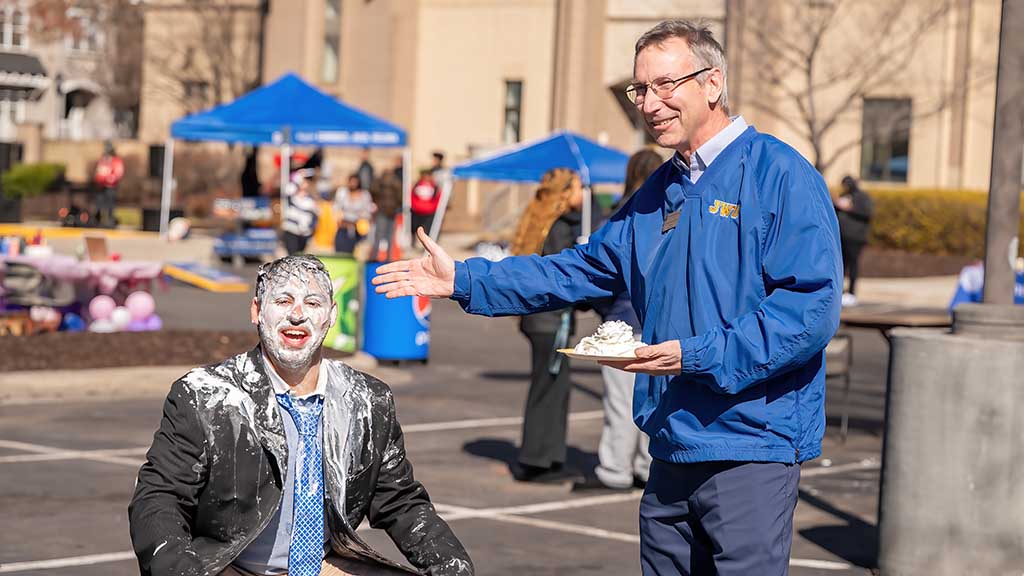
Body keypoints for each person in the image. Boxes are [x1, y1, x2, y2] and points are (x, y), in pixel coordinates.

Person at [374, 19, 842, 576]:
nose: (650, 102)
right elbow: (582, 268)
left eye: (666, 84)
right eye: (639, 89)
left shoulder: (778, 174)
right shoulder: (660, 189)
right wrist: (468, 280)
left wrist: (696, 355)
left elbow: (808, 310)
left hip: (749, 448)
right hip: (672, 441)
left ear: (713, 83)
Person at [128, 255, 474, 576]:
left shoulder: (369, 399)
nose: (297, 314)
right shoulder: (205, 395)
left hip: (327, 567)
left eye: (312, 303)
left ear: (331, 315)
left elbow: (401, 502)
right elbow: (159, 498)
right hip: (234, 568)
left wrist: (452, 565)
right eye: (282, 301)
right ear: (257, 311)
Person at [572, 148, 663, 493]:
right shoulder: (673, 214)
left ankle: (615, 468)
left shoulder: (622, 216)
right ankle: (645, 465)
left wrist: (600, 308)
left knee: (622, 401)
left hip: (623, 320)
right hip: (659, 322)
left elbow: (600, 275)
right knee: (653, 399)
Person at [507, 168, 587, 483]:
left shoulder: (543, 223)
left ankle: (548, 457)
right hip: (551, 319)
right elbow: (565, 277)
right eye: (580, 188)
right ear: (566, 193)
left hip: (539, 318)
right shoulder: (561, 227)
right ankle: (537, 460)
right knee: (550, 389)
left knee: (551, 387)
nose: (585, 195)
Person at [834, 175, 873, 306]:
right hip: (842, 236)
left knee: (853, 264)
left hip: (855, 237)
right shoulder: (844, 195)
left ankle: (851, 292)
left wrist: (849, 208)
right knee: (841, 265)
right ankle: (838, 291)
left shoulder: (862, 197)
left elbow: (867, 213)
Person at [333, 173, 375, 254]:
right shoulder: (342, 192)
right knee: (340, 249)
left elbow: (367, 211)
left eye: (355, 182)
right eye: (351, 182)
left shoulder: (364, 195)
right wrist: (339, 220)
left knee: (356, 251)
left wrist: (360, 221)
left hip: (357, 227)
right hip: (343, 225)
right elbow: (336, 207)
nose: (353, 184)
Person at [282, 169, 320, 255]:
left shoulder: (311, 200)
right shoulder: (292, 195)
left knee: (299, 256)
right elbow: (288, 188)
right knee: (293, 256)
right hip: (291, 231)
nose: (306, 183)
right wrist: (299, 175)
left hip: (304, 234)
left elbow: (315, 217)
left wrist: (310, 230)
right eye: (305, 181)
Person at [369, 163, 402, 261]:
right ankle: (388, 258)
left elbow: (372, 191)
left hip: (383, 211)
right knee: (390, 237)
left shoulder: (379, 182)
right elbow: (400, 196)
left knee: (379, 236)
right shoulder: (396, 182)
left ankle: (374, 257)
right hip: (392, 211)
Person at [93, 140, 125, 228]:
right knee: (99, 203)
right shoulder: (103, 160)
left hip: (111, 187)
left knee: (110, 204)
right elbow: (99, 171)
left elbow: (118, 173)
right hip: (101, 186)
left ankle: (110, 220)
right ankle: (98, 220)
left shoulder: (116, 160)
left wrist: (110, 178)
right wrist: (99, 178)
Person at [410, 169, 440, 239]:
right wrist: (414, 206)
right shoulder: (417, 184)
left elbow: (437, 198)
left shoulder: (434, 186)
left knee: (428, 229)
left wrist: (433, 207)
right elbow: (412, 196)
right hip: (417, 210)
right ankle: (413, 240)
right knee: (415, 227)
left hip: (429, 211)